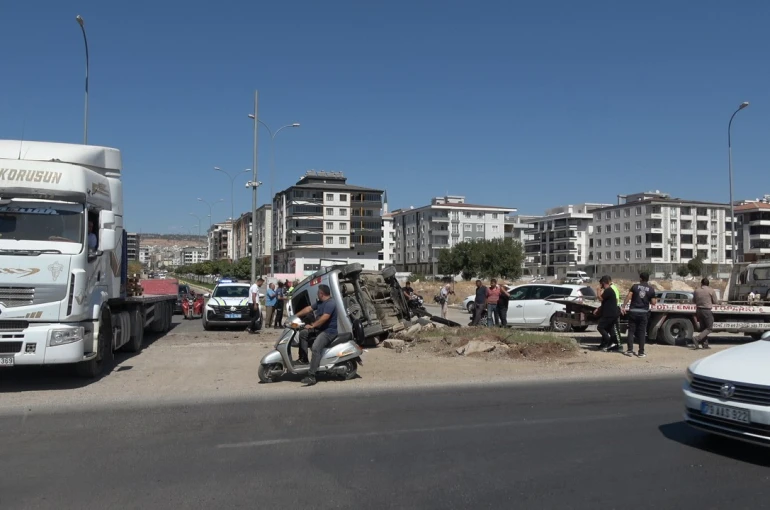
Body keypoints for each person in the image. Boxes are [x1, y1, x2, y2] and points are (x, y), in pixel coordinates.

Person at [295, 284, 339, 386]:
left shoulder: (330, 303)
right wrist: (295, 316)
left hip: (328, 332)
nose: (317, 294)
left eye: (318, 292)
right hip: (320, 330)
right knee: (303, 334)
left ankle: (312, 376)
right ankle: (303, 359)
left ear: (321, 293)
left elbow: (325, 317)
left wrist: (313, 325)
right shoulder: (320, 302)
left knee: (315, 347)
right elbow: (308, 309)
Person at [621, 272, 656, 358]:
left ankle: (629, 350)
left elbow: (629, 296)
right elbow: (653, 303)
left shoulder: (635, 287)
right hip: (643, 313)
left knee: (631, 331)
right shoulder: (651, 289)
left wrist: (623, 306)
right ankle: (641, 352)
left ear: (640, 278)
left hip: (633, 311)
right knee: (642, 332)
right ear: (648, 279)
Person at [594, 275, 620, 351]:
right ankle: (614, 344)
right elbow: (605, 302)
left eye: (601, 284)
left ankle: (609, 342)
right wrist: (599, 309)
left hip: (609, 314)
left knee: (600, 327)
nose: (600, 285)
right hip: (611, 313)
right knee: (610, 329)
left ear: (603, 283)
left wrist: (598, 291)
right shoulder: (609, 291)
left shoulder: (608, 290)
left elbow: (600, 298)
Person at [693, 278, 718, 349]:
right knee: (709, 328)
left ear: (701, 283)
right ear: (708, 284)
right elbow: (715, 301)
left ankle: (705, 345)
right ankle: (697, 338)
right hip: (707, 310)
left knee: (703, 328)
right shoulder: (711, 290)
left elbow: (694, 300)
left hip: (698, 310)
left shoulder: (696, 290)